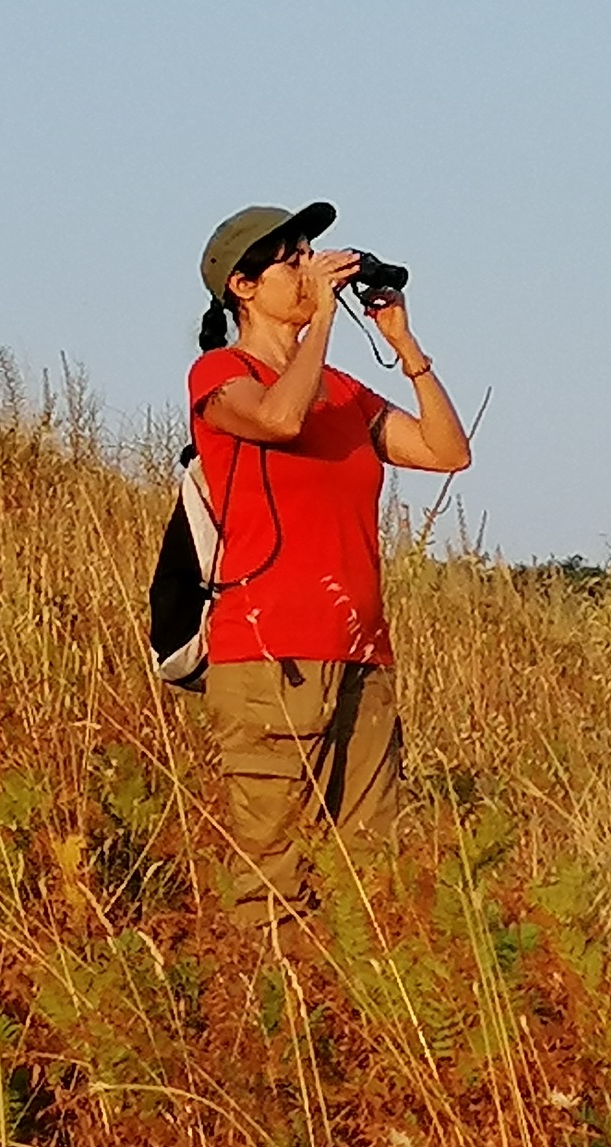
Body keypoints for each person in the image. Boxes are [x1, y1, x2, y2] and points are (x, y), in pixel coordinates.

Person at [188, 202, 470, 937]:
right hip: (270, 654)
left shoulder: (345, 390)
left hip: (361, 656)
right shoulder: (221, 375)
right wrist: (322, 327)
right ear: (243, 287)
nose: (310, 263)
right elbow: (280, 419)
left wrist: (405, 345)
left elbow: (447, 453)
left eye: (310, 249)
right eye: (291, 257)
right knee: (274, 881)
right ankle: (271, 1032)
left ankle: (352, 1025)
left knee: (371, 878)